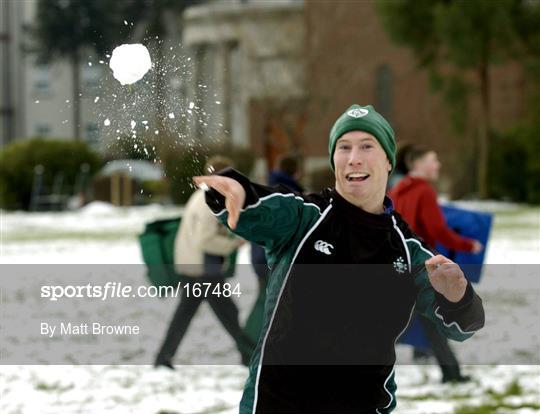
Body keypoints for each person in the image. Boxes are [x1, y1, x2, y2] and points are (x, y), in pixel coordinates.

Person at [194, 104, 485, 413]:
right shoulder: (305, 218)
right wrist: (235, 188)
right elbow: (264, 205)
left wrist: (458, 294)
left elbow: (463, 326)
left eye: (366, 146)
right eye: (343, 147)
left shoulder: (407, 249)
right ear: (334, 160)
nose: (353, 157)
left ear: (388, 161)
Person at [388, 145, 483, 383]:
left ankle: (451, 373)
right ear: (418, 164)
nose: (438, 165)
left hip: (400, 265)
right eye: (434, 159)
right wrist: (468, 245)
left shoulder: (397, 189)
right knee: (418, 323)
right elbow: (437, 229)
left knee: (422, 322)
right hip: (423, 266)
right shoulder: (424, 190)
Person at [154, 156, 255, 369]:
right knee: (229, 314)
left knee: (185, 315)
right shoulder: (209, 201)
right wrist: (233, 244)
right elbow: (205, 239)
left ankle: (163, 358)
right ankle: (250, 356)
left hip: (195, 267)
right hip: (202, 270)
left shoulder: (201, 195)